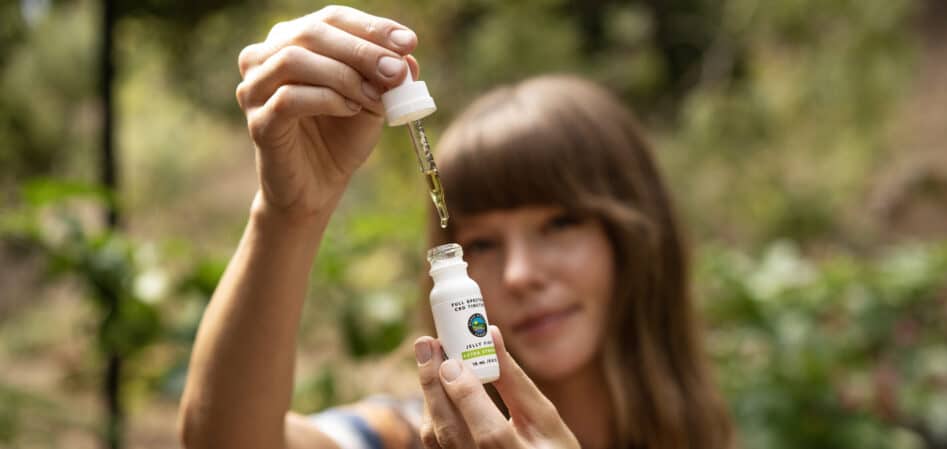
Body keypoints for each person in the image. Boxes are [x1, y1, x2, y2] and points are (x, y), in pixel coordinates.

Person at [177, 5, 733, 449]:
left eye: (559, 224)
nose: (518, 275)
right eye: (482, 242)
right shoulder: (415, 437)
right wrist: (288, 214)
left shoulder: (706, 434)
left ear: (636, 239)